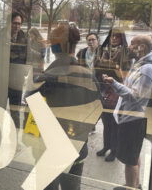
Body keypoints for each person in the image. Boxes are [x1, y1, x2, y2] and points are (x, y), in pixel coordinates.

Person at [39, 36, 100, 190]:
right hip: (78, 143)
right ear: (74, 47)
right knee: (72, 187)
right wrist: (83, 130)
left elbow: (30, 105)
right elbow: (98, 108)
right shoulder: (87, 74)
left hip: (50, 144)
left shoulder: (47, 75)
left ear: (53, 49)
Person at [102, 35, 152, 190]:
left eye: (133, 44)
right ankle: (135, 185)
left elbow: (136, 97)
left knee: (129, 160)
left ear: (142, 47)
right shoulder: (141, 64)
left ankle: (130, 187)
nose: (129, 47)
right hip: (131, 116)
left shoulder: (147, 69)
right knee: (134, 155)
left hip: (134, 118)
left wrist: (113, 83)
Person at [0, 12, 31, 127]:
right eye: (14, 23)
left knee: (15, 114)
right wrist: (0, 73)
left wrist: (24, 71)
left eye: (19, 24)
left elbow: (28, 58)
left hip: (16, 83)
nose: (17, 26)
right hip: (1, 82)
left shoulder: (25, 40)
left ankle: (14, 140)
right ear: (8, 23)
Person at [95, 28, 129, 162]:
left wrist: (111, 66)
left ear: (122, 39)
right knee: (106, 121)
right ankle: (106, 146)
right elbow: (97, 66)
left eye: (117, 37)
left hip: (117, 90)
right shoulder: (105, 51)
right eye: (112, 36)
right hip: (104, 89)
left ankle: (114, 150)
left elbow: (123, 75)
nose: (113, 39)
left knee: (115, 123)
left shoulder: (124, 52)